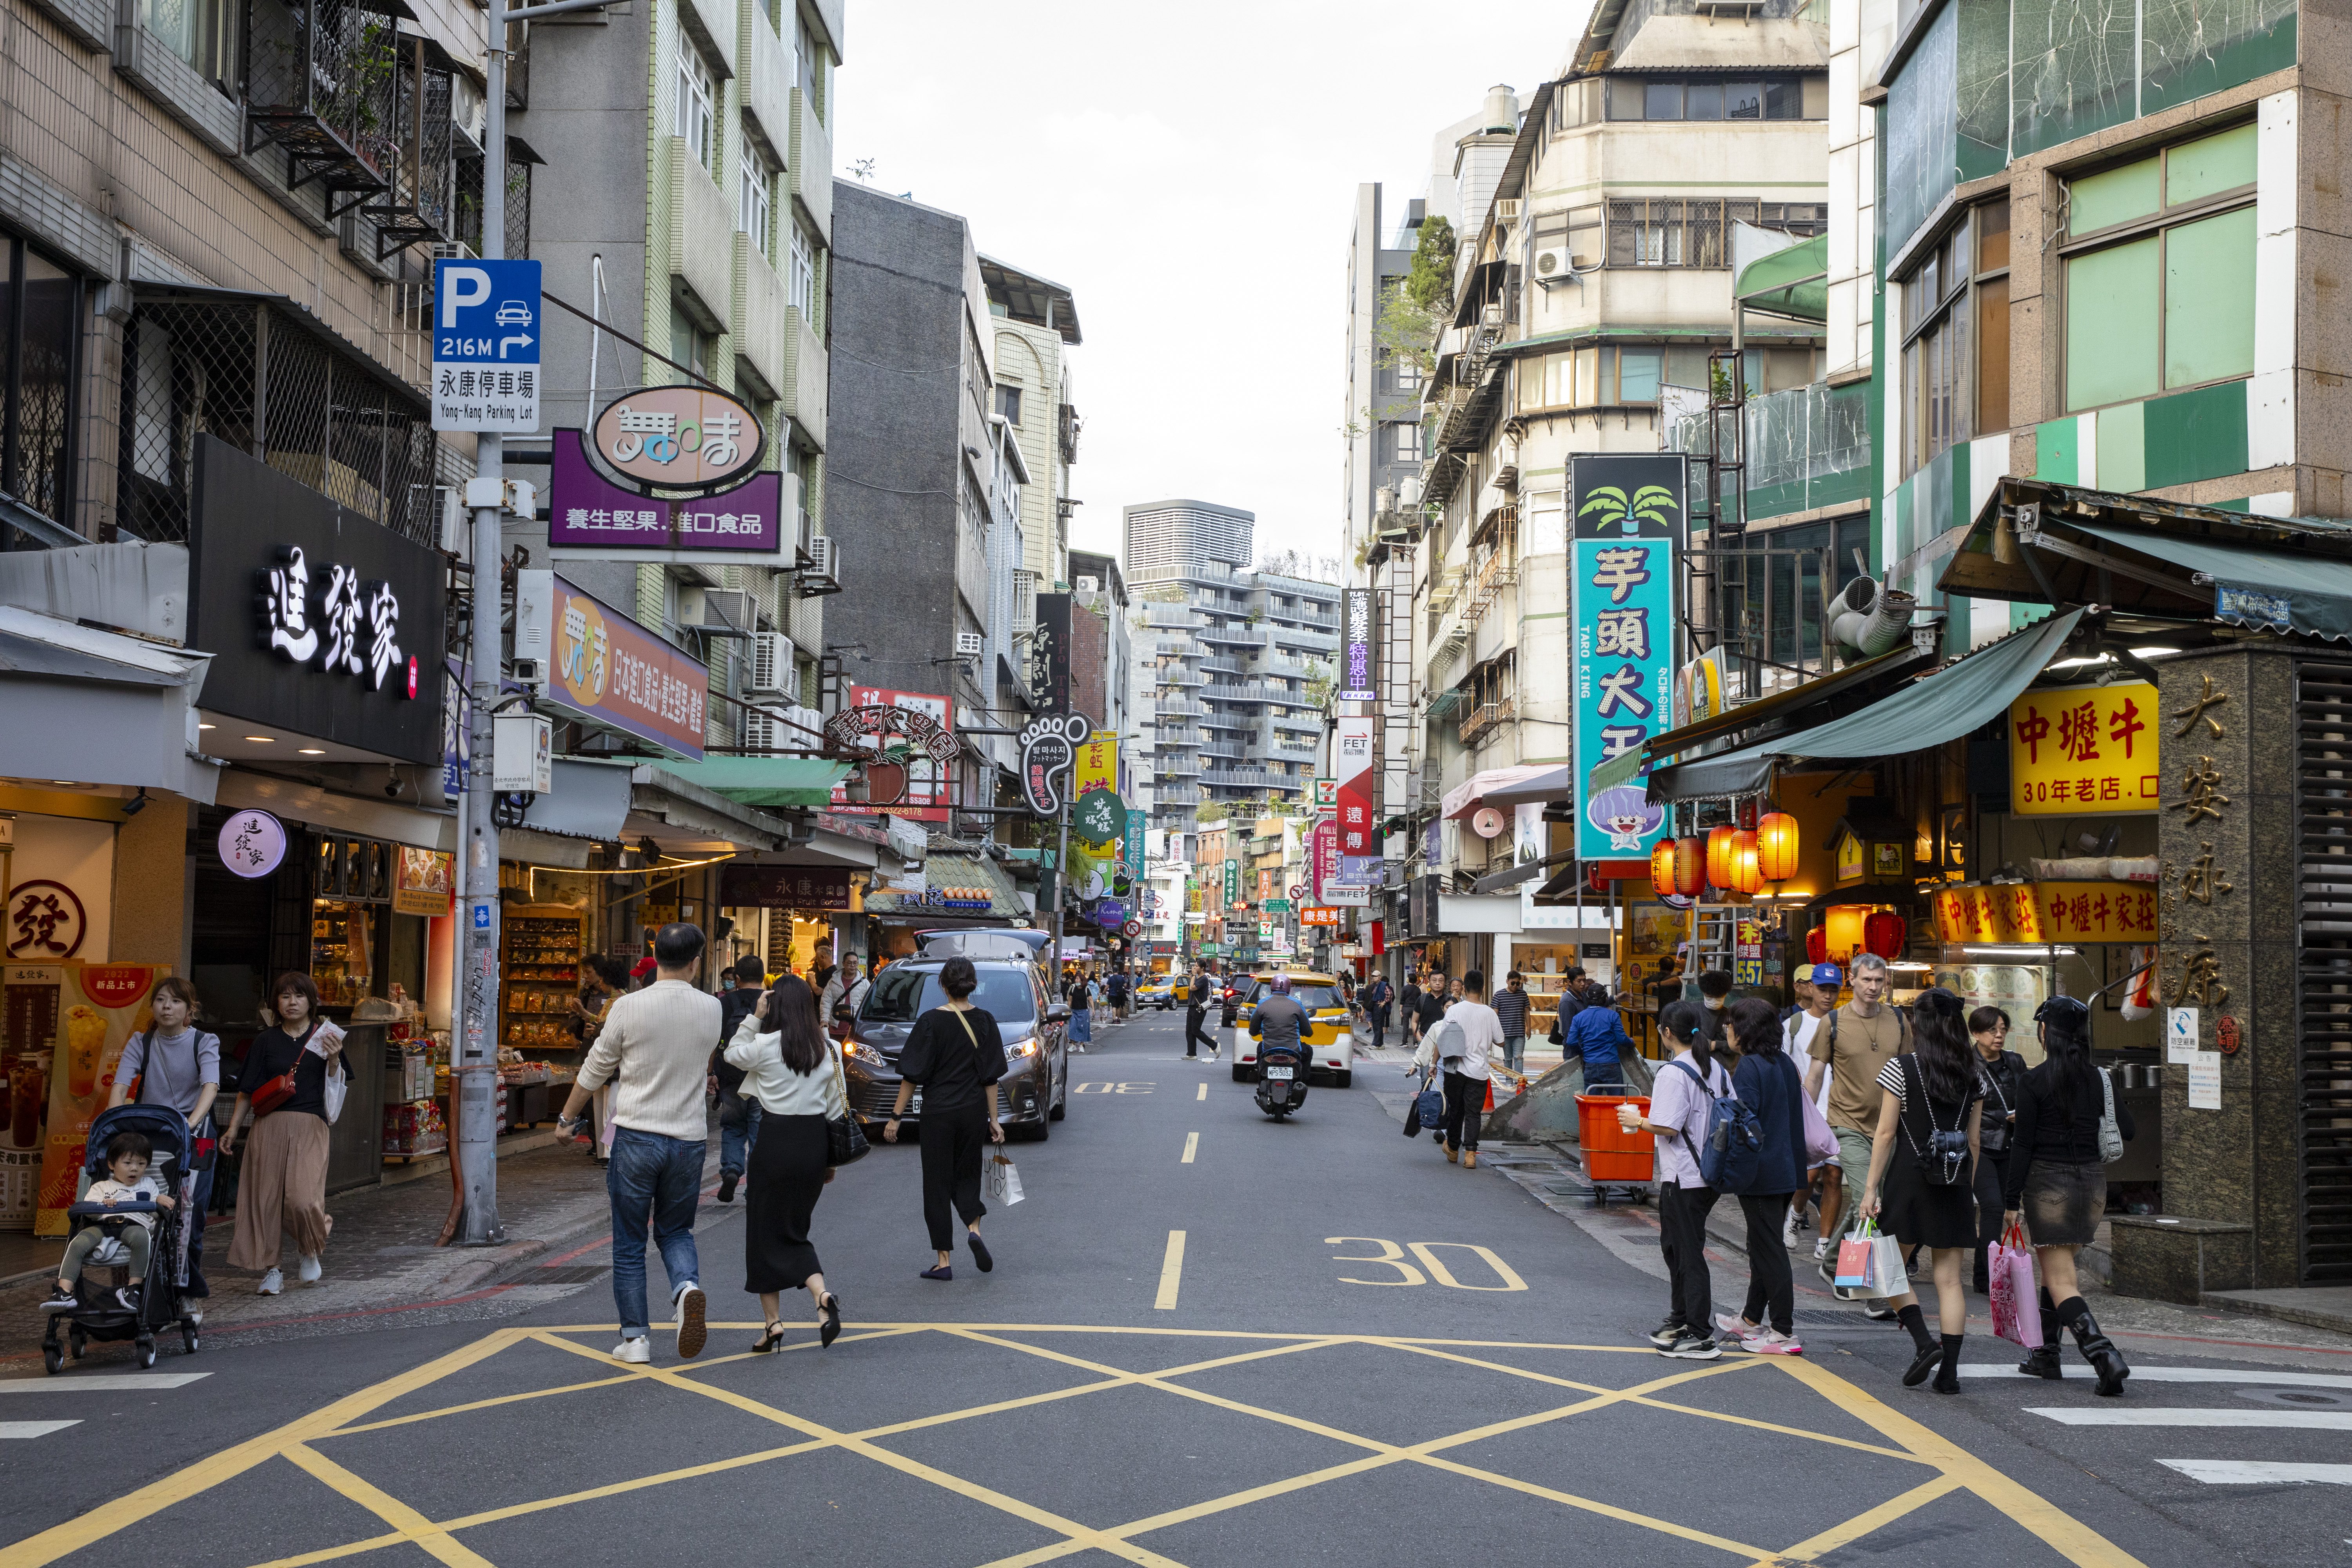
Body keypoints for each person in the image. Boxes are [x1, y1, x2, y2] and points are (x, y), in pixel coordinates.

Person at [554, 922, 720, 1365]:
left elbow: (594, 1068)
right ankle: (686, 1288)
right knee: (676, 1230)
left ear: (655, 957)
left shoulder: (628, 1007)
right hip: (688, 1139)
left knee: (629, 1240)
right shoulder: (712, 1009)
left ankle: (635, 1339)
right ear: (696, 962)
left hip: (636, 1137)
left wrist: (567, 1118)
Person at [2003, 995, 2132, 1395]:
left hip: (2049, 1185)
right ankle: (2046, 1355)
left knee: (2061, 1279)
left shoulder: (2034, 1080)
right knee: (2057, 1267)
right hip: (2092, 1186)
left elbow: (2022, 1146)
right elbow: (2127, 1129)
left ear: (2046, 1033)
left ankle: (2104, 1356)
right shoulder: (2100, 1078)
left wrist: (2010, 1202)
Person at [1857, 987, 1984, 1395]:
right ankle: (1949, 1373)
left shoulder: (1902, 1068)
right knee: (1949, 1279)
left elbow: (1886, 1132)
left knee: (1887, 1267)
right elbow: (1975, 1140)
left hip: (1909, 1179)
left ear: (1919, 1025)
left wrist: (1870, 1188)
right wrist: (1967, 1183)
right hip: (1955, 1180)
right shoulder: (1974, 1074)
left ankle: (1922, 1341)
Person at [724, 975, 845, 1353]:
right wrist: (829, 1161)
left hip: (774, 1143)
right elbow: (835, 1111)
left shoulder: (763, 1044)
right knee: (794, 1230)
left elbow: (732, 1054)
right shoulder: (829, 1049)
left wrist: (754, 1017)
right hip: (812, 1144)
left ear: (774, 1006)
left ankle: (776, 1322)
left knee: (763, 1233)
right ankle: (819, 1298)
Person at [217, 973, 346, 1296]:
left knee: (303, 1200)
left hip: (310, 1124)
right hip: (268, 1126)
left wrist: (334, 1058)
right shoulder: (265, 1041)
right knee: (265, 1202)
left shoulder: (325, 1037)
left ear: (311, 1001)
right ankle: (272, 1269)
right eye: (285, 996)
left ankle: (309, 1247)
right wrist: (234, 1129)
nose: (292, 1002)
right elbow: (247, 1091)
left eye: (299, 996)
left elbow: (337, 1084)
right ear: (277, 1002)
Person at [1615, 1003, 1729, 1358]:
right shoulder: (1717, 1070)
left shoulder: (1673, 1072)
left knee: (1687, 1254)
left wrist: (1637, 1122)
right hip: (1711, 1173)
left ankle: (1700, 1333)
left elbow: (1667, 1126)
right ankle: (1681, 1318)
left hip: (1683, 1174)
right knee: (1677, 1248)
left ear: (1666, 1033)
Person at [883, 956, 1006, 1280]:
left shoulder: (929, 1022)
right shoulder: (986, 1021)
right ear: (973, 984)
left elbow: (912, 1075)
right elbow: (991, 1077)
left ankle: (944, 1261)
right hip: (974, 1111)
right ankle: (975, 1229)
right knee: (967, 1174)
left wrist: (896, 1117)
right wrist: (994, 1119)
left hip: (938, 1112)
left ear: (942, 985)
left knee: (936, 1184)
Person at [1804, 951, 1908, 1312]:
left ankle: (1833, 1264)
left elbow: (1909, 1073)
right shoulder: (1833, 1022)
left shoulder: (1899, 1019)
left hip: (1889, 1129)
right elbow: (1815, 1076)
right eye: (1867, 980)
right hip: (1847, 1125)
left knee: (1872, 1198)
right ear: (1853, 979)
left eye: (1879, 981)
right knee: (1873, 1197)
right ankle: (1875, 1291)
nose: (1873, 988)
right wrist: (1807, 1123)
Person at [1710, 997, 1808, 1355]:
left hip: (1762, 1171)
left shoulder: (1750, 1066)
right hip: (1787, 1167)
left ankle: (1783, 1331)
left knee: (1769, 1249)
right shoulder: (1783, 1062)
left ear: (1746, 1029)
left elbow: (1744, 1123)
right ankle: (1751, 1319)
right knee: (1763, 1246)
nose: (1727, 1029)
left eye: (1732, 1023)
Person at [109, 976, 218, 1299]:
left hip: (195, 1133)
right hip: (149, 1134)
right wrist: (115, 1122)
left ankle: (185, 1294)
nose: (166, 1007)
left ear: (190, 1009)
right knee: (139, 1207)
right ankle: (137, 1289)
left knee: (190, 1213)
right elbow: (120, 1086)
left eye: (175, 1001)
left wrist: (191, 1122)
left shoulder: (204, 1041)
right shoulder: (140, 1042)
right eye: (160, 1000)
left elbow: (210, 1086)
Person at [44, 1130, 177, 1314]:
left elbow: (156, 1214)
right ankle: (63, 1292)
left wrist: (159, 1201)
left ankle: (132, 1290)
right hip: (102, 1226)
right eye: (128, 1163)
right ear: (112, 1165)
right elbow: (89, 1212)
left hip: (132, 1226)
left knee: (142, 1237)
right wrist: (102, 1206)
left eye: (141, 1164)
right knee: (77, 1243)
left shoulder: (148, 1185)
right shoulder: (101, 1187)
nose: (134, 1169)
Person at [1782, 965, 1841, 1253]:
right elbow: (1783, 1067)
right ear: (1810, 989)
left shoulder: (1845, 1024)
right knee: (1808, 1176)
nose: (1828, 996)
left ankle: (1824, 1242)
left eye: (1834, 990)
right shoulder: (1793, 1025)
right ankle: (1796, 1214)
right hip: (1807, 1110)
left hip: (1840, 1112)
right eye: (1823, 989)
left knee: (1833, 1176)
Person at [1968, 1005, 2026, 1294]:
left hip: (2010, 1145)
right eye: (1992, 1030)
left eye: (2003, 1029)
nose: (1999, 1035)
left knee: (2004, 1210)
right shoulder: (1966, 1063)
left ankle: (1985, 1275)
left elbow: (2028, 1097)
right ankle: (1988, 1276)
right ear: (1976, 1033)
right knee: (1992, 1207)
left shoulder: (2015, 1063)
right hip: (1980, 1146)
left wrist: (2024, 1113)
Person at [711, 956, 769, 1205]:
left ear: (737, 978)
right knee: (758, 1130)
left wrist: (711, 1072)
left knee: (733, 1126)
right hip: (761, 1075)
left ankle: (732, 1170)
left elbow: (715, 1041)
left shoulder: (725, 1003)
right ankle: (754, 1187)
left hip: (731, 1075)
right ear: (764, 976)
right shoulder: (771, 1000)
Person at [1432, 971, 1506, 1168]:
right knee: (1474, 1113)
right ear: (1483, 989)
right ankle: (1471, 1155)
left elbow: (1443, 1039)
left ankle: (1454, 1149)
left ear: (1464, 988)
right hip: (1479, 1071)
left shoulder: (1455, 1010)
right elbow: (1501, 1041)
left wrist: (1433, 1064)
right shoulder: (1490, 1013)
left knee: (1456, 1111)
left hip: (1455, 1070)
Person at [1565, 990, 1635, 1092]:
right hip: (1611, 1064)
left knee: (1592, 1104)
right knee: (1617, 1104)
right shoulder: (1613, 1016)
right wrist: (1632, 1042)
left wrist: (1582, 1052)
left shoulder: (1578, 1018)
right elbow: (1622, 1040)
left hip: (1590, 1065)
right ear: (1606, 999)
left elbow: (1571, 1042)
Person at [820, 956, 870, 1038]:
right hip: (836, 1029)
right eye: (849, 963)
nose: (853, 966)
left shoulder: (865, 983)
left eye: (855, 963)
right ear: (843, 964)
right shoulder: (834, 982)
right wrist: (824, 1020)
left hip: (855, 1030)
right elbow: (826, 1002)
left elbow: (868, 1005)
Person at [1494, 972, 1532, 1077]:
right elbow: (1494, 1015)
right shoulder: (1499, 995)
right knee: (1508, 1058)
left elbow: (1527, 1012)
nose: (1515, 986)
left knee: (1519, 1057)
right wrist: (1495, 1031)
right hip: (1505, 1033)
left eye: (1518, 984)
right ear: (1507, 981)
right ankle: (1509, 1081)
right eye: (1513, 983)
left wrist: (1529, 1028)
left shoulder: (1523, 994)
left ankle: (1520, 1082)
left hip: (1519, 1032)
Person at [1183, 964, 1218, 1060]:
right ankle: (1191, 1053)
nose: (1195, 968)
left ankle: (1214, 1045)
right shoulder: (1197, 978)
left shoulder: (1204, 979)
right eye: (1194, 966)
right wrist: (1194, 976)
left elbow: (1192, 988)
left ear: (1203, 968)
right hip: (1191, 1007)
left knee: (1195, 1030)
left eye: (1197, 966)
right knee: (1189, 1031)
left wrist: (1193, 976)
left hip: (1199, 1007)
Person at [1694, 970, 1734, 1047]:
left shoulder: (1732, 1016)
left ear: (1726, 995)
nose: (1714, 1000)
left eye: (1718, 997)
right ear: (1704, 993)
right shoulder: (1692, 1011)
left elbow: (1739, 1045)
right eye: (1710, 997)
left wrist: (1716, 1045)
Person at [1362, 974, 1394, 1051]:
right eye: (1373, 977)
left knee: (1378, 1025)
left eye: (1375, 976)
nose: (1373, 978)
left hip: (1380, 1007)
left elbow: (1390, 994)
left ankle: (1376, 1044)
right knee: (1376, 1025)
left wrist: (1384, 1002)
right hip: (1375, 1007)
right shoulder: (1376, 986)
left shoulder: (1383, 985)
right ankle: (1380, 1044)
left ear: (1380, 977)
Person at [1068, 972, 1095, 1053]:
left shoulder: (1087, 989)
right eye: (1075, 979)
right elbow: (1070, 1000)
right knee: (1072, 1027)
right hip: (1074, 1011)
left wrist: (1093, 1009)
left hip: (1084, 1012)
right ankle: (1073, 1045)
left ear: (1082, 980)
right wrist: (1068, 1010)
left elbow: (1090, 1000)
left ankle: (1081, 1045)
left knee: (1083, 1029)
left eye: (1078, 979)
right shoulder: (1073, 989)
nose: (1076, 981)